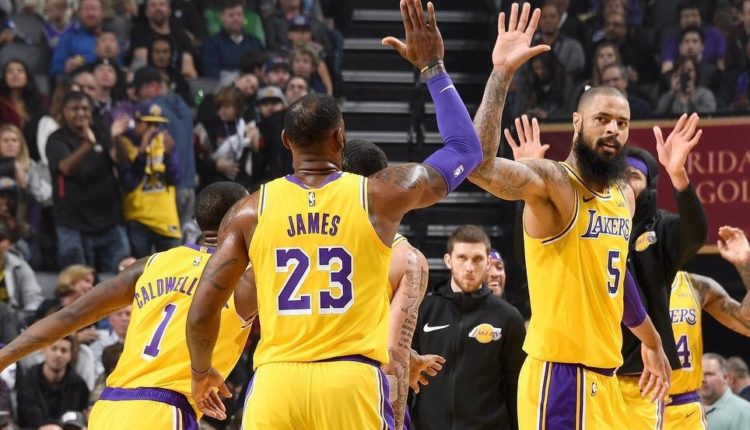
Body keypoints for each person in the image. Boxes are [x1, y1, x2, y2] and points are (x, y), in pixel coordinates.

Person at [184, 1, 543, 427]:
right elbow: (467, 150)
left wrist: (201, 370)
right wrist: (433, 68)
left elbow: (203, 310)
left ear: (284, 141)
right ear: (341, 136)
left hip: (276, 381)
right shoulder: (379, 195)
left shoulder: (248, 211)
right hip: (350, 379)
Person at [469, 5, 684, 425]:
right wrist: (501, 74)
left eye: (622, 123)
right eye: (602, 119)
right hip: (559, 376)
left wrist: (653, 341)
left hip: (606, 378)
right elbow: (478, 166)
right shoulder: (554, 183)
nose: (613, 131)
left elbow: (617, 276)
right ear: (576, 121)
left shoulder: (623, 193)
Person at [0, 182, 253, 429]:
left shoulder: (152, 264)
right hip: (164, 410)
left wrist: (4, 357)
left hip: (109, 407)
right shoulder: (247, 276)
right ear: (243, 219)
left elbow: (71, 315)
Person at [341, 138, 436, 430]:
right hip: (360, 394)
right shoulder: (405, 258)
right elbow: (392, 358)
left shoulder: (299, 235)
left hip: (287, 384)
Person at [616, 140, 707, 428]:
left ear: (649, 188)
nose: (625, 183)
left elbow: (695, 235)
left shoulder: (660, 227)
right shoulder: (594, 224)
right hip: (596, 368)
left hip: (640, 376)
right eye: (619, 175)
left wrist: (679, 177)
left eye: (633, 176)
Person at [411, 225, 526, 430]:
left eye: (477, 259)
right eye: (462, 258)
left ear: (488, 262)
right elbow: (408, 378)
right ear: (449, 260)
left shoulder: (508, 318)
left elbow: (515, 387)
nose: (470, 267)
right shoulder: (423, 311)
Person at [663, 226, 750, 429]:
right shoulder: (626, 285)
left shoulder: (696, 286)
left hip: (685, 407)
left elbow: (746, 323)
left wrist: (746, 264)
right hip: (638, 402)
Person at [46, 91, 128, 273]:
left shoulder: (102, 131)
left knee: (122, 280)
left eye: (84, 108)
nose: (81, 113)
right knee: (78, 279)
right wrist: (87, 145)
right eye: (74, 109)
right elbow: (66, 168)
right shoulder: (56, 139)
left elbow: (120, 159)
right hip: (72, 223)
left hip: (109, 220)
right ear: (64, 112)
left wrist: (117, 138)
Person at [114, 101, 181, 258]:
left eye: (157, 125)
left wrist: (168, 155)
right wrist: (143, 153)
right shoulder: (125, 144)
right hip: (139, 218)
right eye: (149, 124)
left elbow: (175, 179)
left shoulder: (164, 143)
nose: (153, 130)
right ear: (136, 123)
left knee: (170, 273)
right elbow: (129, 183)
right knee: (140, 273)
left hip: (166, 218)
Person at [16, 336, 90, 428]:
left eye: (64, 350)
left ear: (71, 355)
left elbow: (79, 419)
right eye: (54, 349)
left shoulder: (79, 385)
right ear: (44, 351)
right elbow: (27, 418)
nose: (58, 354)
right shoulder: (28, 381)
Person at [701, 353, 750, 429]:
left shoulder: (743, 411)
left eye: (709, 374)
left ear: (726, 378)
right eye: (699, 374)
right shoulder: (690, 409)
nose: (702, 379)